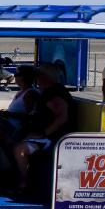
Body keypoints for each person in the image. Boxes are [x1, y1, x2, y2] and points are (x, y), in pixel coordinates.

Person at [12, 63, 73, 194]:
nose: (36, 78)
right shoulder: (46, 92)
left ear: (45, 77)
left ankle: (24, 184)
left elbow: (62, 117)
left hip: (53, 139)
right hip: (43, 135)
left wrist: (43, 134)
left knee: (20, 150)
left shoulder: (55, 93)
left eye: (38, 75)